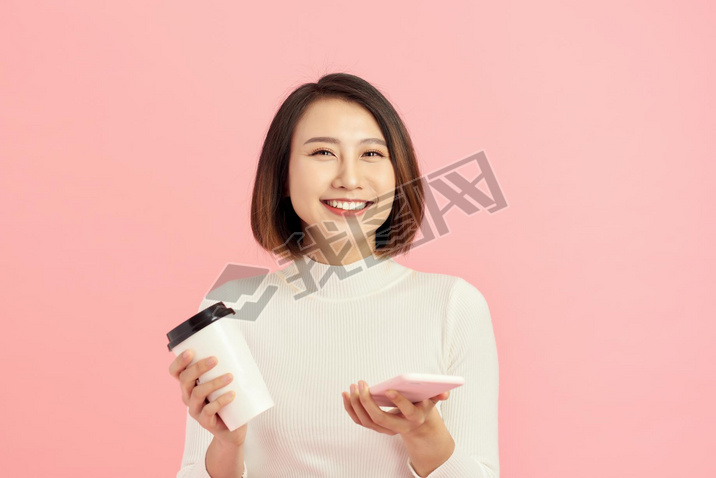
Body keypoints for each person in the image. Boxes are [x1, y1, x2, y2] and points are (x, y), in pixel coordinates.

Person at [168, 72, 499, 477]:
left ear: (399, 175)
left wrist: (424, 434)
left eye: (372, 154)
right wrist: (227, 445)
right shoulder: (233, 308)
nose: (350, 179)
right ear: (283, 176)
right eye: (323, 152)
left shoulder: (453, 305)